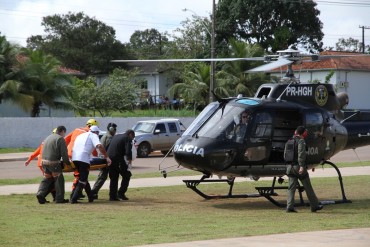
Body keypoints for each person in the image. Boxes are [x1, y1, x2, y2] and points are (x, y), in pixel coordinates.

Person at [284, 126, 323, 213]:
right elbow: (301, 154)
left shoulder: (289, 141)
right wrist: (301, 166)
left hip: (289, 167)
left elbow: (285, 155)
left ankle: (289, 207)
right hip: (298, 167)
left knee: (291, 188)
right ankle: (315, 205)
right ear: (303, 133)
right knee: (308, 187)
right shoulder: (301, 141)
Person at [70, 125, 111, 204]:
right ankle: (73, 199)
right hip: (83, 159)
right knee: (82, 180)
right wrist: (107, 157)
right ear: (96, 132)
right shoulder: (93, 135)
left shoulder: (81, 135)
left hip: (75, 158)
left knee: (83, 178)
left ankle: (90, 197)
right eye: (98, 133)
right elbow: (99, 146)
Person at [65, 118, 99, 200]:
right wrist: (96, 156)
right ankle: (74, 196)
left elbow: (65, 140)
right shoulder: (89, 134)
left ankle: (89, 195)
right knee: (79, 176)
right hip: (78, 156)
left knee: (83, 176)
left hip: (70, 154)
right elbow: (93, 148)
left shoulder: (77, 129)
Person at [36, 126, 70, 204]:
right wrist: (67, 162)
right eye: (64, 133)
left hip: (44, 162)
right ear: (62, 131)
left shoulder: (48, 137)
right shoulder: (60, 139)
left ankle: (40, 194)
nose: (64, 135)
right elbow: (64, 153)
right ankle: (59, 199)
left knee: (47, 179)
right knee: (58, 180)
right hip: (54, 163)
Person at [25, 128, 59, 202]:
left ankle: (53, 197)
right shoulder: (55, 141)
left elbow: (37, 151)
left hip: (41, 163)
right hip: (48, 162)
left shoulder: (46, 140)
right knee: (51, 180)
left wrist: (29, 159)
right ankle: (42, 195)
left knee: (51, 179)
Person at [91, 122, 117, 199]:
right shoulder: (109, 138)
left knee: (102, 177)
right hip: (106, 159)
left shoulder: (106, 136)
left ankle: (94, 192)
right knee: (102, 177)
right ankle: (93, 192)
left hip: (105, 159)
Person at [108, 129, 135, 201]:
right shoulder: (127, 138)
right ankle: (121, 193)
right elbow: (128, 151)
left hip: (109, 159)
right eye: (133, 137)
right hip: (117, 158)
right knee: (127, 175)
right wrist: (129, 161)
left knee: (114, 177)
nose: (132, 139)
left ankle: (112, 196)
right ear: (130, 134)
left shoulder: (117, 136)